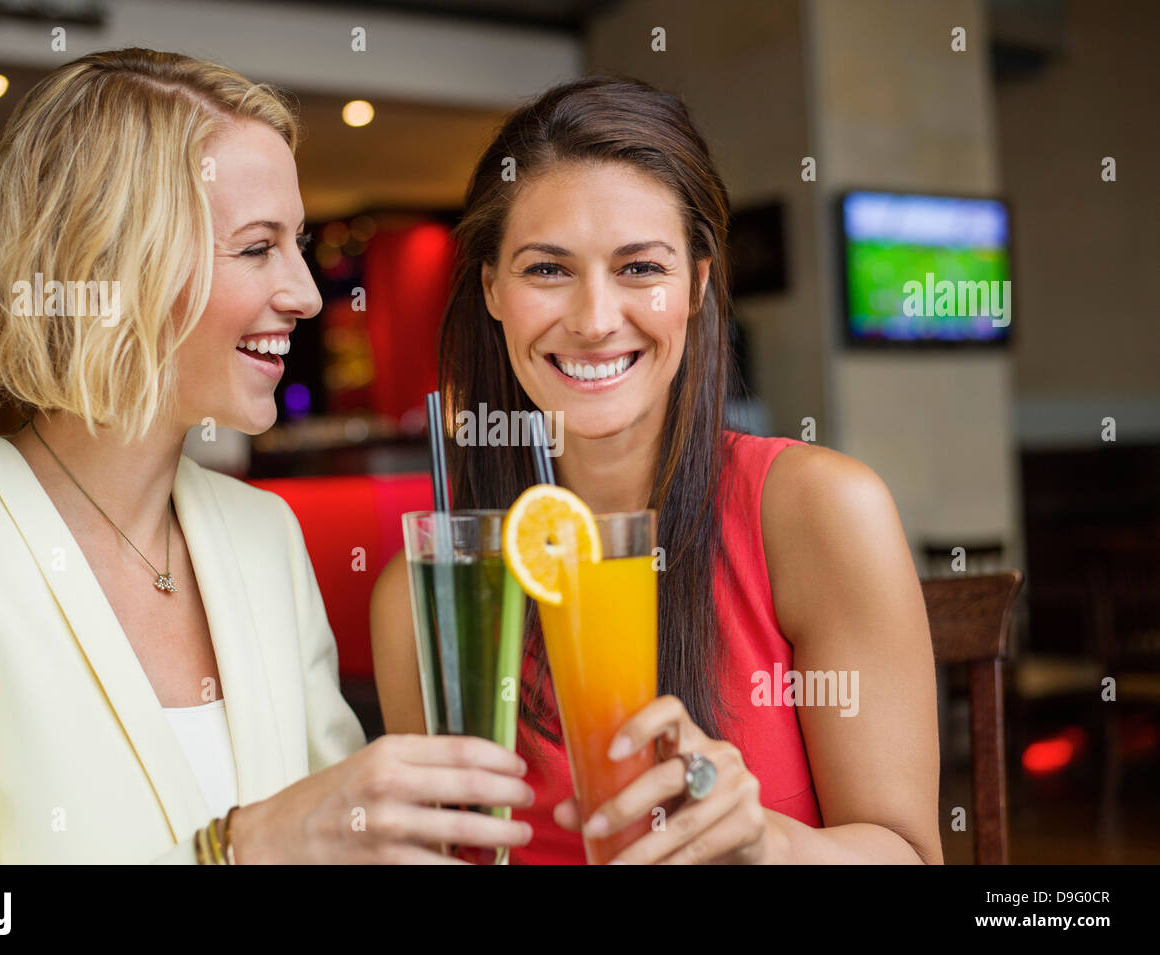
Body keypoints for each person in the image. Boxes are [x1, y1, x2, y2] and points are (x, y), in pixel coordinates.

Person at [0, 47, 533, 864]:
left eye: (298, 243)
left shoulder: (265, 534)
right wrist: (231, 849)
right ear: (111, 263)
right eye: (257, 248)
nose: (307, 293)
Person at [371, 76, 944, 864]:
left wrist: (765, 841)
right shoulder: (427, 597)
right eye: (547, 270)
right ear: (493, 290)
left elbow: (911, 856)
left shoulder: (818, 510)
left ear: (697, 284)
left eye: (640, 267)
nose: (596, 319)